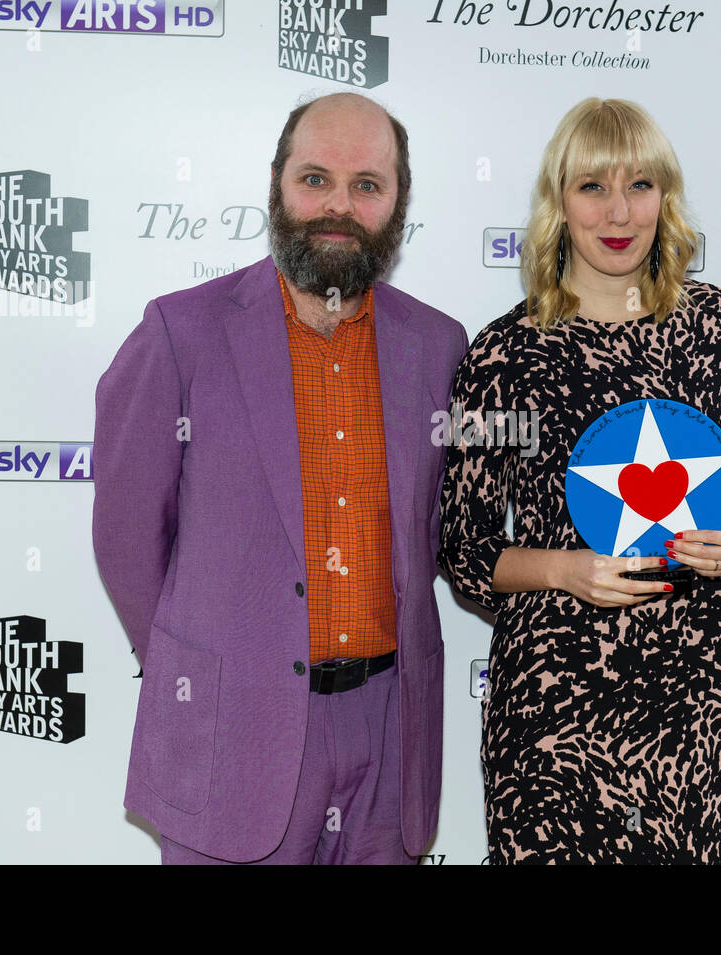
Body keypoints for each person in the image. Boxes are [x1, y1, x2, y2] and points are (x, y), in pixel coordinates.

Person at [93, 92, 467, 864]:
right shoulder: (180, 332)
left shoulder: (437, 346)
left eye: (367, 184)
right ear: (275, 182)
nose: (338, 205)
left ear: (398, 202)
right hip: (232, 732)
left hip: (389, 736)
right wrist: (202, 663)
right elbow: (127, 536)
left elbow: (439, 531)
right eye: (315, 178)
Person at [437, 98, 721, 864]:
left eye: (639, 184)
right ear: (557, 203)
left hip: (704, 706)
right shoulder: (503, 353)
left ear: (665, 197)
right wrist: (566, 570)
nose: (619, 211)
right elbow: (464, 548)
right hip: (556, 716)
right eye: (592, 187)